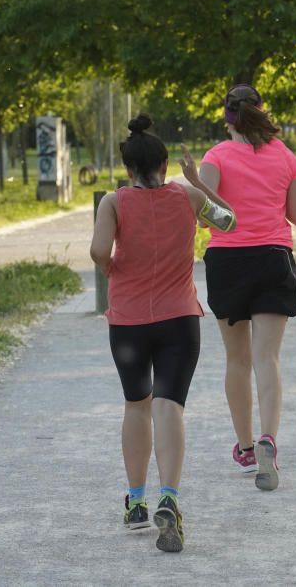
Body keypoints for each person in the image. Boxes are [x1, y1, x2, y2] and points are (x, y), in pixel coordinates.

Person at [90, 113, 236, 553]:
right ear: (166, 164)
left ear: (127, 167)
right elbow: (228, 221)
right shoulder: (189, 197)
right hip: (178, 320)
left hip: (130, 321)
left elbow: (99, 250)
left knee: (137, 405)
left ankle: (136, 502)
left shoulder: (113, 203)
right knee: (169, 407)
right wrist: (199, 182)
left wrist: (112, 269)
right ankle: (169, 497)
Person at [196, 84, 296, 492]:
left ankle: (245, 447)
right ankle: (268, 439)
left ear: (227, 117)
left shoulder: (215, 158)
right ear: (262, 111)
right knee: (268, 358)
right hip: (274, 258)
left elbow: (206, 218)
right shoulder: (285, 155)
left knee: (237, 360)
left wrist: (203, 186)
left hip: (228, 261)